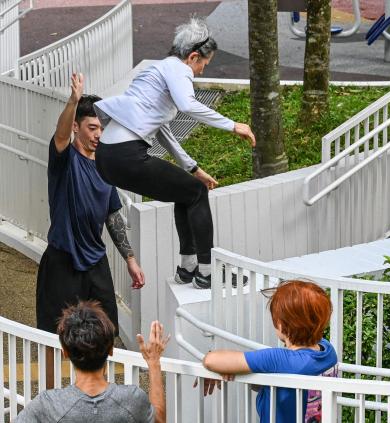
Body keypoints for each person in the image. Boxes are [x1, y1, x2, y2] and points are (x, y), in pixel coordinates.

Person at [94, 17, 256, 290]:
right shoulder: (177, 69)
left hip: (107, 158)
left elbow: (162, 132)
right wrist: (233, 125)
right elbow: (188, 105)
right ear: (193, 56)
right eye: (204, 63)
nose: (202, 71)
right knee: (196, 193)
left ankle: (188, 268)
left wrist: (193, 169)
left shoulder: (157, 73)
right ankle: (207, 272)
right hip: (124, 155)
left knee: (187, 192)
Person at [38, 73, 144, 387]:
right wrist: (73, 100)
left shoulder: (104, 166)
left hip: (95, 263)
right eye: (92, 128)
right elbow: (58, 136)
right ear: (77, 127)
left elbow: (113, 217)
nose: (98, 135)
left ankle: (100, 396)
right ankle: (51, 401)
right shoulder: (64, 160)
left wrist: (131, 260)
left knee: (106, 333)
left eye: (102, 128)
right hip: (61, 261)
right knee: (54, 339)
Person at [200, 280, 337, 422]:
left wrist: (222, 365)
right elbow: (271, 384)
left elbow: (211, 360)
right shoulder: (328, 351)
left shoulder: (279, 359)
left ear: (281, 324)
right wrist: (234, 368)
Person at [16, 301, 169, 423]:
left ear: (65, 352)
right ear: (111, 349)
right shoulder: (132, 399)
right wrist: (154, 362)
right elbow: (159, 419)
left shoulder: (48, 404)